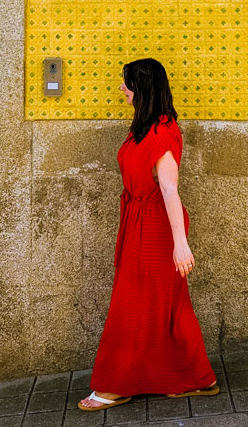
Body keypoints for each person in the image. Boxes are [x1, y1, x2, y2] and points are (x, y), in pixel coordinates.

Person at [78, 58, 219, 411]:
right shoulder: (143, 126)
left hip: (156, 227)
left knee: (134, 304)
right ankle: (196, 378)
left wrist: (180, 245)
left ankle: (114, 386)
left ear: (141, 88)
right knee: (168, 305)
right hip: (139, 221)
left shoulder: (163, 132)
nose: (122, 89)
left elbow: (170, 189)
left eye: (126, 84)